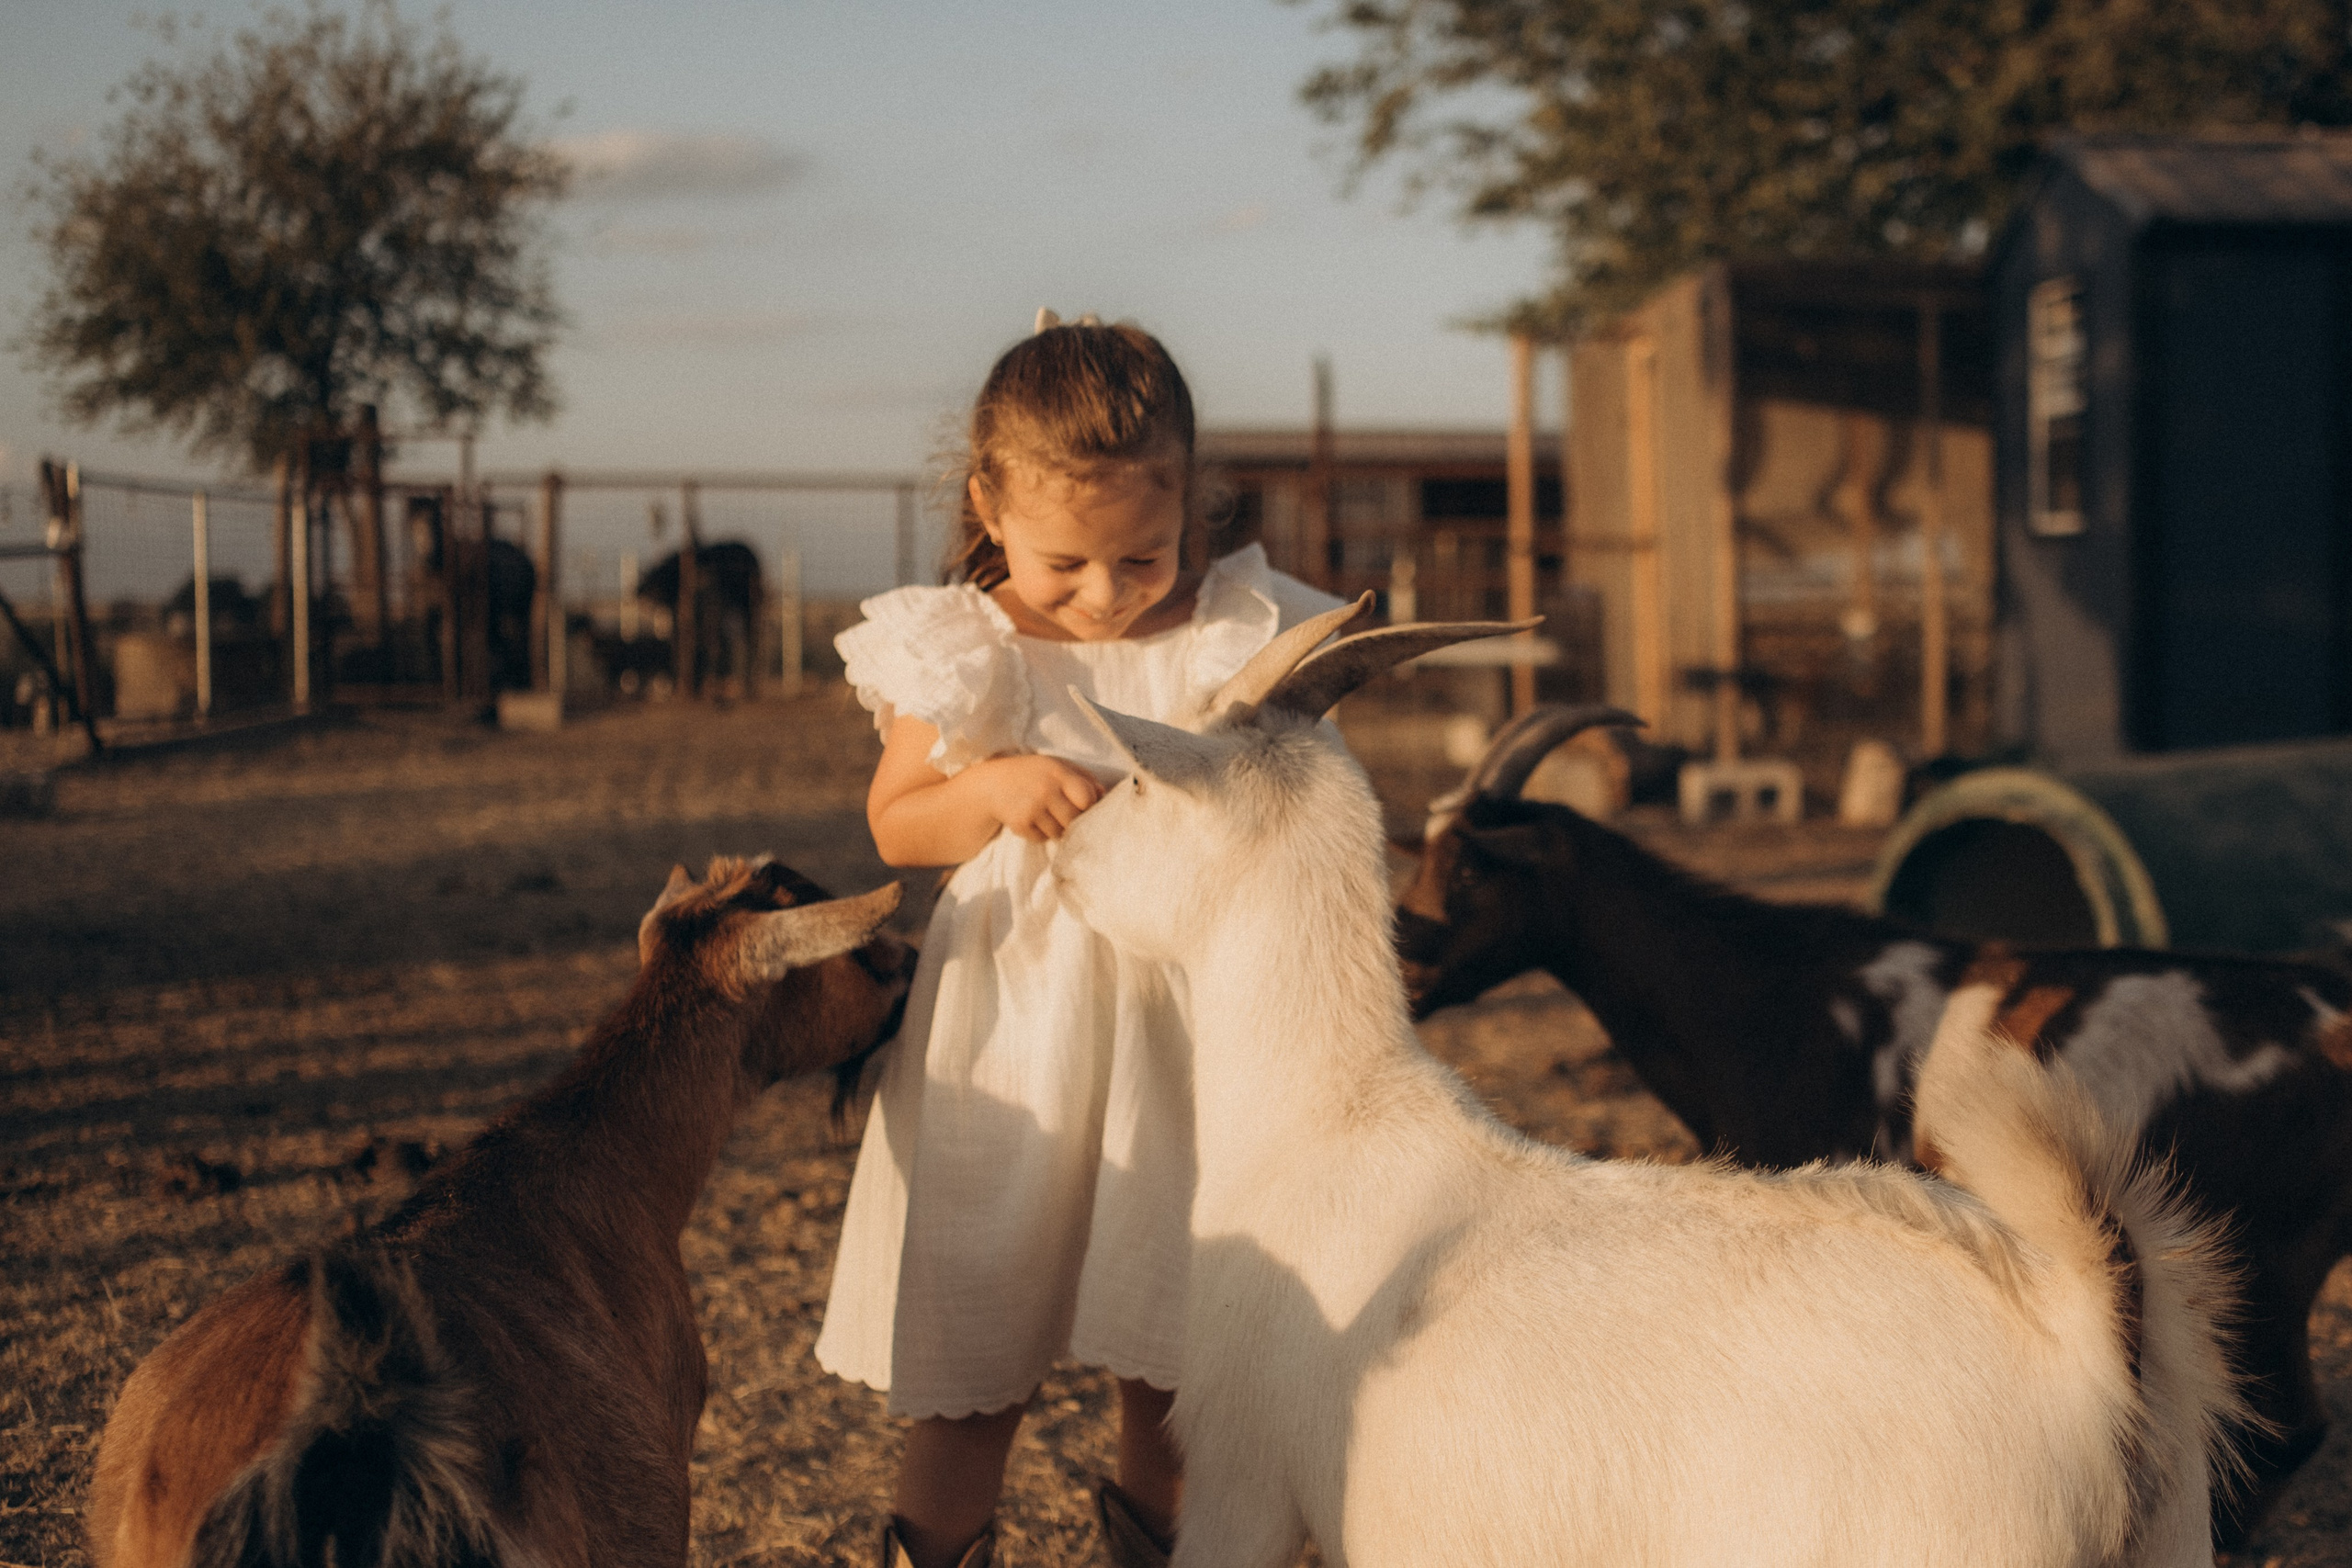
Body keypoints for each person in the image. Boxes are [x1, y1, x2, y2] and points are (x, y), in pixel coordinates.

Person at [816, 312, 1345, 1568]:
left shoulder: (1238, 631)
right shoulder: (967, 647)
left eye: (1142, 558)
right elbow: (898, 824)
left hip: (1187, 1022)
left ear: (1194, 503)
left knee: (1176, 1345)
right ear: (988, 505)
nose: (1105, 594)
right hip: (1015, 1029)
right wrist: (993, 787)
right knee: (975, 1348)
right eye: (1065, 564)